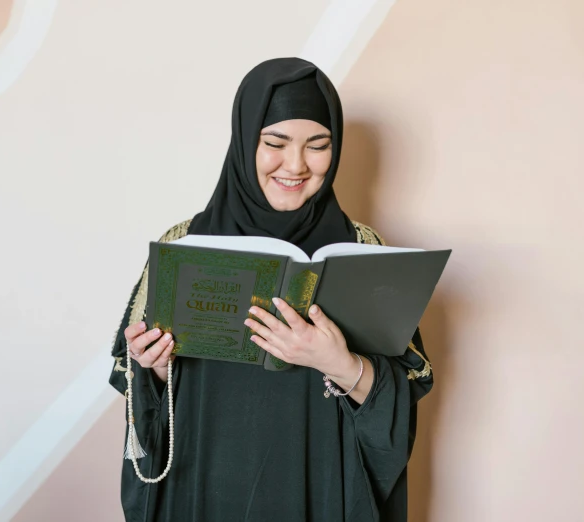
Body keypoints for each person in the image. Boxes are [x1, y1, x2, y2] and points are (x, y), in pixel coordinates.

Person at [108, 57, 433, 522]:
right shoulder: (183, 246)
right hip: (203, 489)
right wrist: (153, 368)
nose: (296, 165)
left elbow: (398, 401)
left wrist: (337, 362)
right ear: (244, 142)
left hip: (321, 490)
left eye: (318, 145)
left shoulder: (362, 249)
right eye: (274, 143)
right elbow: (141, 399)